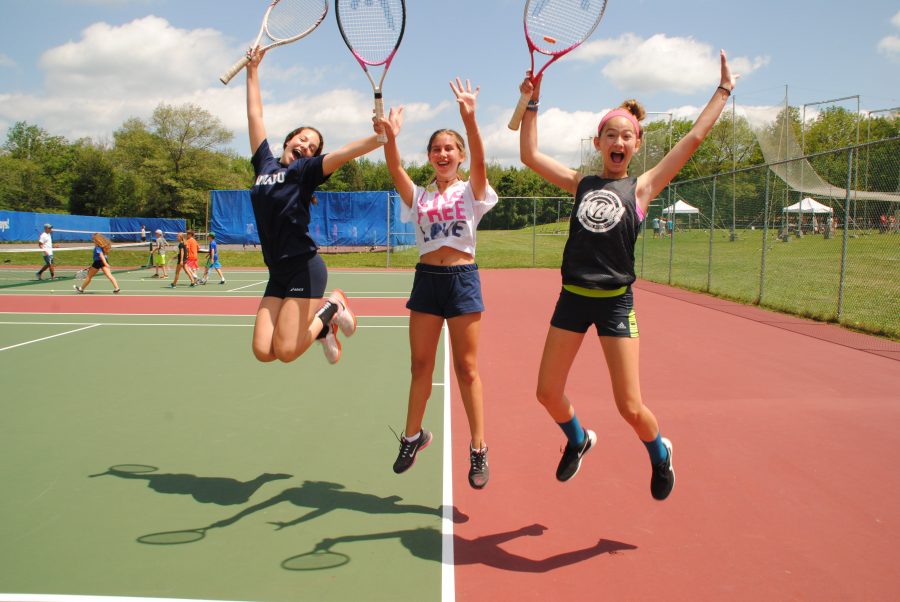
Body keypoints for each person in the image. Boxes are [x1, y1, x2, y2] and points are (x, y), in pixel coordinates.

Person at [518, 50, 737, 501]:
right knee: (546, 393)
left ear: (636, 145)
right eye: (610, 135)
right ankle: (578, 439)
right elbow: (529, 155)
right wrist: (533, 103)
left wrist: (723, 92)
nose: (619, 142)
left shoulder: (642, 187)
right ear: (598, 142)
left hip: (615, 302)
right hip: (572, 299)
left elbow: (693, 138)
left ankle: (659, 453)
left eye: (627, 136)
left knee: (630, 407)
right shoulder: (580, 183)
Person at [376, 78, 498, 489]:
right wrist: (391, 139)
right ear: (429, 156)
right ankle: (412, 437)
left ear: (460, 156)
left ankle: (478, 448)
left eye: (450, 147)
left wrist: (471, 120)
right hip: (427, 280)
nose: (443, 153)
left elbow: (481, 161)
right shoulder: (421, 197)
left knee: (467, 369)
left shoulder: (471, 190)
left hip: (462, 280)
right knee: (419, 366)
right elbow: (394, 168)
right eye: (436, 148)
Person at [245, 45, 382, 365]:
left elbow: (343, 153)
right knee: (264, 352)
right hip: (276, 271)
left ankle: (334, 304)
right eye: (302, 139)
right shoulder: (264, 164)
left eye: (313, 146)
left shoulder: (303, 172)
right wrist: (253, 71)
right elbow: (255, 115)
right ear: (288, 140)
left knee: (287, 352)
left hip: (303, 269)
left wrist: (378, 139)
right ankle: (323, 330)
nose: (305, 146)